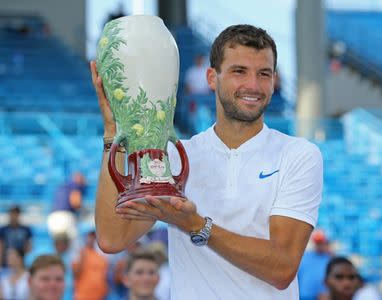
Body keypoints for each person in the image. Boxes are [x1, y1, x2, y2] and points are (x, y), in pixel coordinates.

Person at [91, 24, 323, 299]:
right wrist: (114, 135)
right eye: (239, 71)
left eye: (264, 74)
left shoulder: (297, 154)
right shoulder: (176, 157)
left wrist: (196, 225)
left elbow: (282, 268)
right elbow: (112, 238)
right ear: (212, 78)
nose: (253, 85)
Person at [47, 172, 86, 241]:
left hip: (52, 217)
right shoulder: (75, 185)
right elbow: (76, 203)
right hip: (65, 217)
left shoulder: (62, 186)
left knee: (58, 244)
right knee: (73, 243)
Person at [72, 231, 109, 300]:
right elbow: (75, 274)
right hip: (83, 296)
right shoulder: (79, 253)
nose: (92, 239)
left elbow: (104, 276)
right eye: (90, 236)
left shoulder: (101, 255)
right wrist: (82, 258)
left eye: (94, 236)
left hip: (99, 296)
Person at [298, 229, 333, 300]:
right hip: (304, 296)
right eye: (317, 242)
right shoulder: (304, 256)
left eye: (321, 242)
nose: (319, 245)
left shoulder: (331, 259)